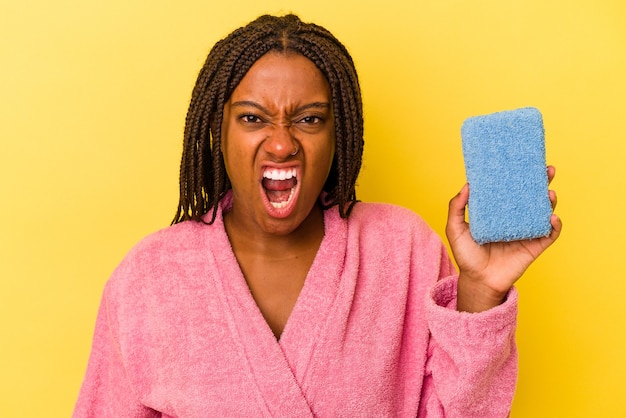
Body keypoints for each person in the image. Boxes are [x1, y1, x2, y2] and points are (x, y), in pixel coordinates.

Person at [73, 14, 561, 417]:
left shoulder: (402, 249)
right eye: (251, 118)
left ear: (339, 132)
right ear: (215, 130)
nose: (283, 143)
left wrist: (480, 291)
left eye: (309, 119)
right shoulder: (149, 278)